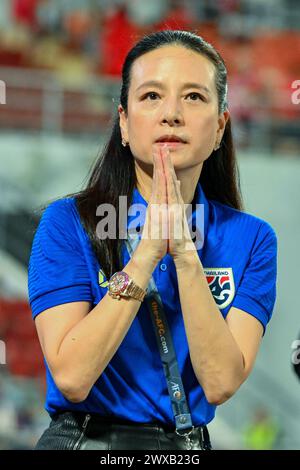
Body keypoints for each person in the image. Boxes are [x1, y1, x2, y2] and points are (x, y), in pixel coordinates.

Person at [27, 29, 277, 450]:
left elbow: (219, 383)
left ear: (220, 127)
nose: (171, 114)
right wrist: (144, 255)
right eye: (151, 96)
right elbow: (72, 376)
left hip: (185, 447)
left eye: (194, 97)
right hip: (88, 441)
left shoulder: (251, 239)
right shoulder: (68, 223)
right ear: (124, 122)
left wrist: (183, 252)